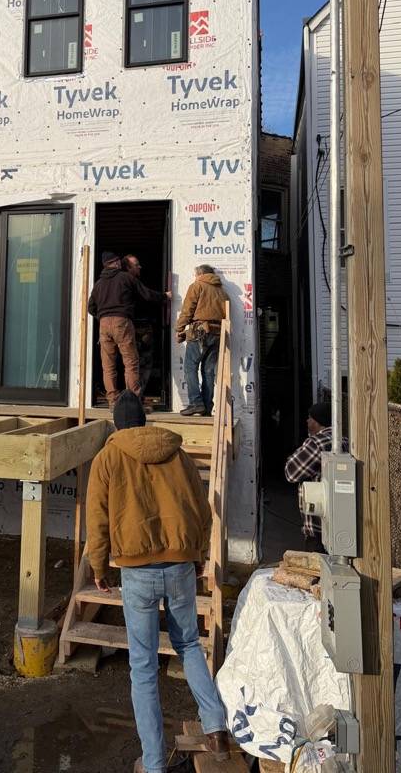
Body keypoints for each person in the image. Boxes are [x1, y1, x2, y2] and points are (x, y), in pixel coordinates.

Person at [87, 390, 230, 771]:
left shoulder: (107, 458)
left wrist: (99, 569)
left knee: (144, 667)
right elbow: (201, 508)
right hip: (180, 565)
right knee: (188, 645)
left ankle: (153, 764)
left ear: (117, 423)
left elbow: (98, 521)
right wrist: (198, 553)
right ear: (145, 421)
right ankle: (216, 727)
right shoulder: (177, 454)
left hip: (137, 571)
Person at [88, 251, 170, 408]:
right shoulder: (126, 277)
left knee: (108, 365)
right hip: (122, 322)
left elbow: (90, 307)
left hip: (104, 325)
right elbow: (147, 295)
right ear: (117, 263)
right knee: (131, 362)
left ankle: (112, 401)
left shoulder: (98, 284)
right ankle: (133, 400)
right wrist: (164, 296)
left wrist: (103, 316)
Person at [285, 401, 348, 548]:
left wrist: (295, 455)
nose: (307, 421)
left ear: (318, 422)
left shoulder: (316, 443)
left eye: (310, 418)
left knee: (318, 565)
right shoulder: (344, 440)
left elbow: (291, 472)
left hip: (318, 526)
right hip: (340, 521)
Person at [176, 265, 228, 416]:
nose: (194, 277)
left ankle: (195, 403)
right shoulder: (222, 292)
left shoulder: (197, 286)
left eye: (195, 275)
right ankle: (206, 405)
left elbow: (187, 310)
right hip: (217, 334)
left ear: (200, 274)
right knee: (208, 371)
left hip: (200, 332)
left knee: (190, 367)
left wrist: (179, 328)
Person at [123, 254, 155, 396]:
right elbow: (148, 295)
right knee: (140, 362)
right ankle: (135, 396)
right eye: (137, 265)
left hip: (130, 326)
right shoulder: (132, 282)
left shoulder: (119, 282)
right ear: (128, 267)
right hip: (138, 327)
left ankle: (131, 394)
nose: (140, 267)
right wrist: (164, 296)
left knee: (131, 362)